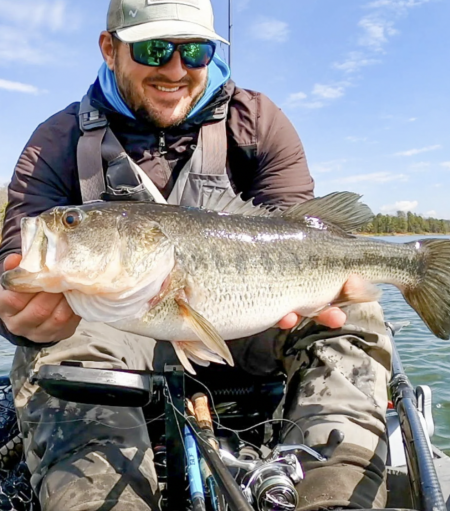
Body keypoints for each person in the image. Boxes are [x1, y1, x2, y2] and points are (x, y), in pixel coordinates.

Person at [0, 1, 392, 510]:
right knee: (53, 348)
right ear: (109, 47)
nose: (175, 69)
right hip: (114, 336)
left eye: (196, 51)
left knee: (353, 312)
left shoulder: (258, 122)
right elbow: (17, 261)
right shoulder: (56, 141)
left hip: (251, 322)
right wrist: (17, 316)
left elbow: (301, 230)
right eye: (155, 48)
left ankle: (337, 491)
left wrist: (313, 290)